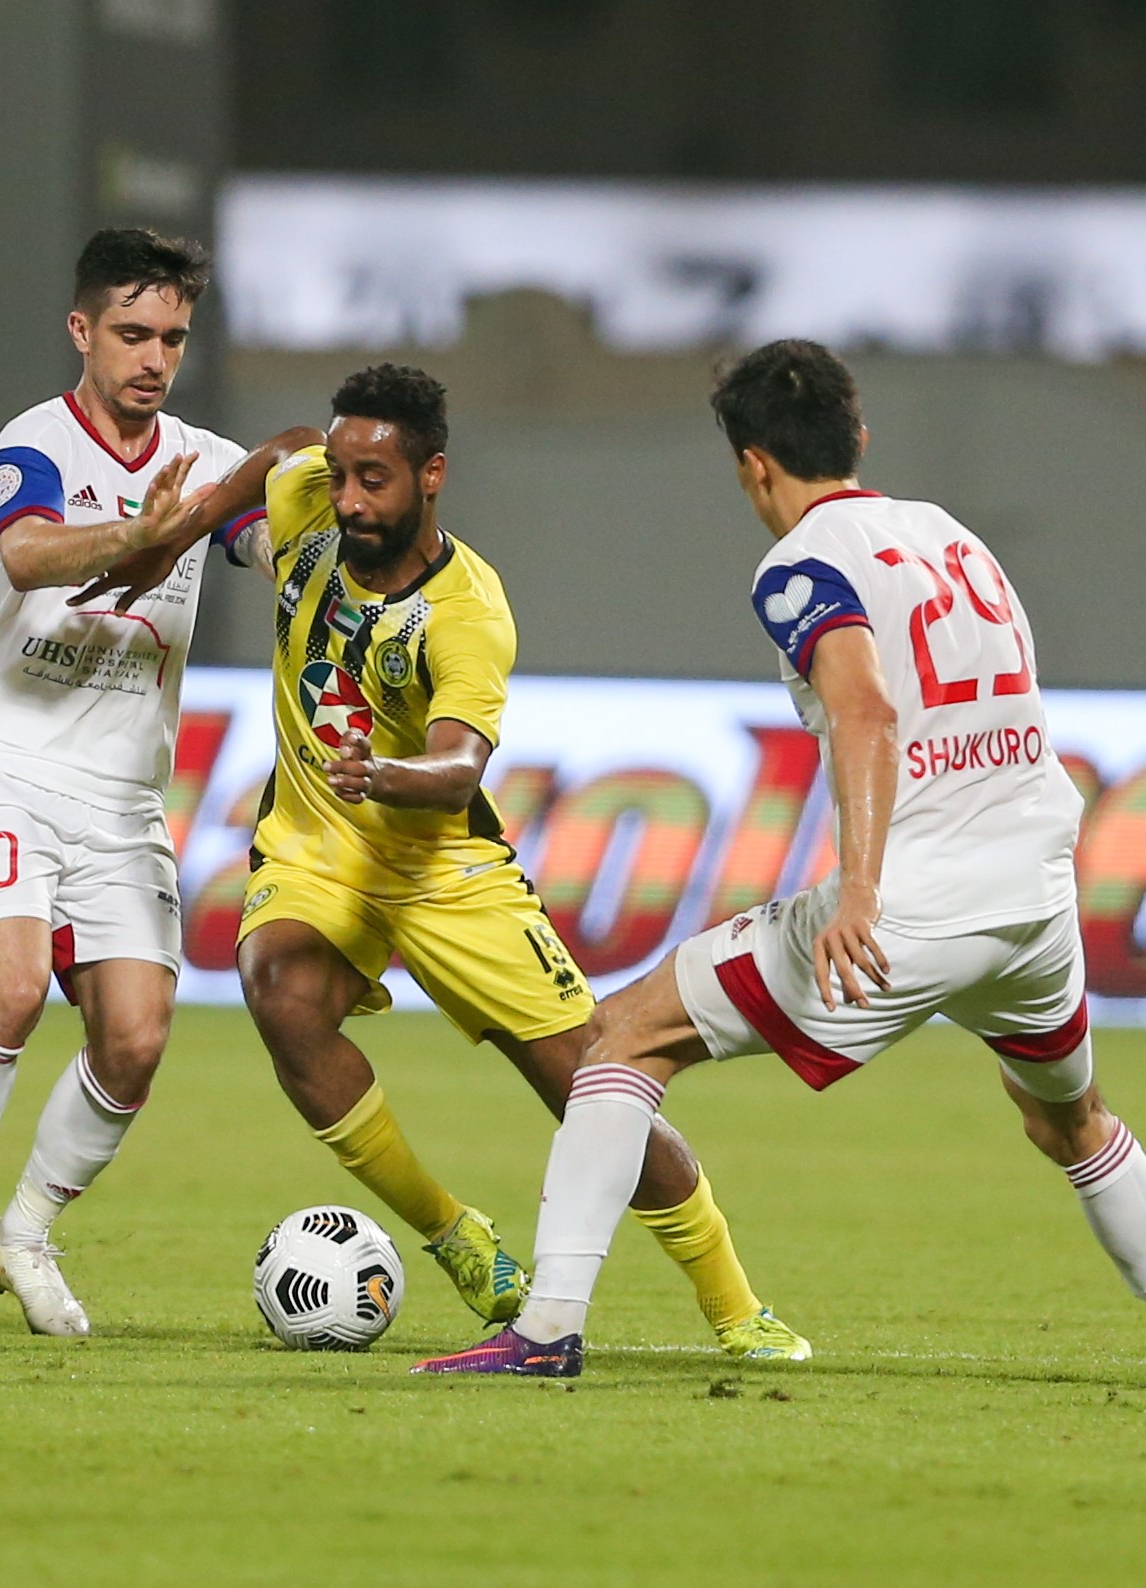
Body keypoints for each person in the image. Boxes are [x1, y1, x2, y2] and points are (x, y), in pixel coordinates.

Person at [416, 338, 1146, 1387]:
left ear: (752, 464)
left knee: (621, 1038)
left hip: (913, 901)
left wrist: (860, 891)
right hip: (1037, 896)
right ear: (857, 435)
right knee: (1069, 1119)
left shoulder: (800, 566)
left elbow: (865, 707)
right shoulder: (951, 535)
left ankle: (545, 1329)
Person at [232, 362, 807, 1358]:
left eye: (375, 480)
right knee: (276, 985)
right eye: (343, 473)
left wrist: (384, 772)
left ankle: (734, 1304)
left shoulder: (466, 610)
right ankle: (456, 1235)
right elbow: (282, 454)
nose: (350, 498)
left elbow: (458, 766)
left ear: (432, 475)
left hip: (446, 872)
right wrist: (189, 522)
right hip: (317, 852)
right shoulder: (309, 503)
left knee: (596, 1088)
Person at [0, 229, 310, 1336]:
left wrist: (309, 545)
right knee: (13, 987)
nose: (153, 357)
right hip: (6, 761)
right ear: (82, 330)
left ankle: (24, 1232)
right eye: (131, 333)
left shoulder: (210, 460)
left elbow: (267, 545)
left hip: (123, 795)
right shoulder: (32, 441)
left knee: (135, 1037)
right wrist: (144, 531)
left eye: (172, 336)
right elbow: (27, 552)